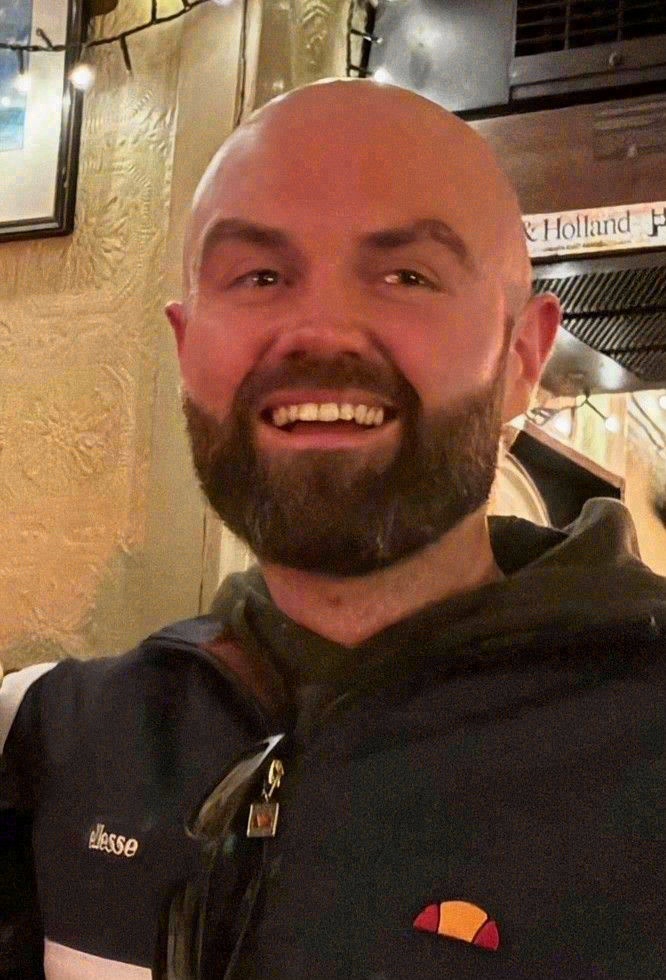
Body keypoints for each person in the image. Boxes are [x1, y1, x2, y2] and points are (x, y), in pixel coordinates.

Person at [1, 78, 664, 979]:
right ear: (187, 348)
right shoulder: (50, 738)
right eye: (260, 277)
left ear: (522, 358)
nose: (319, 331)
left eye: (407, 276)